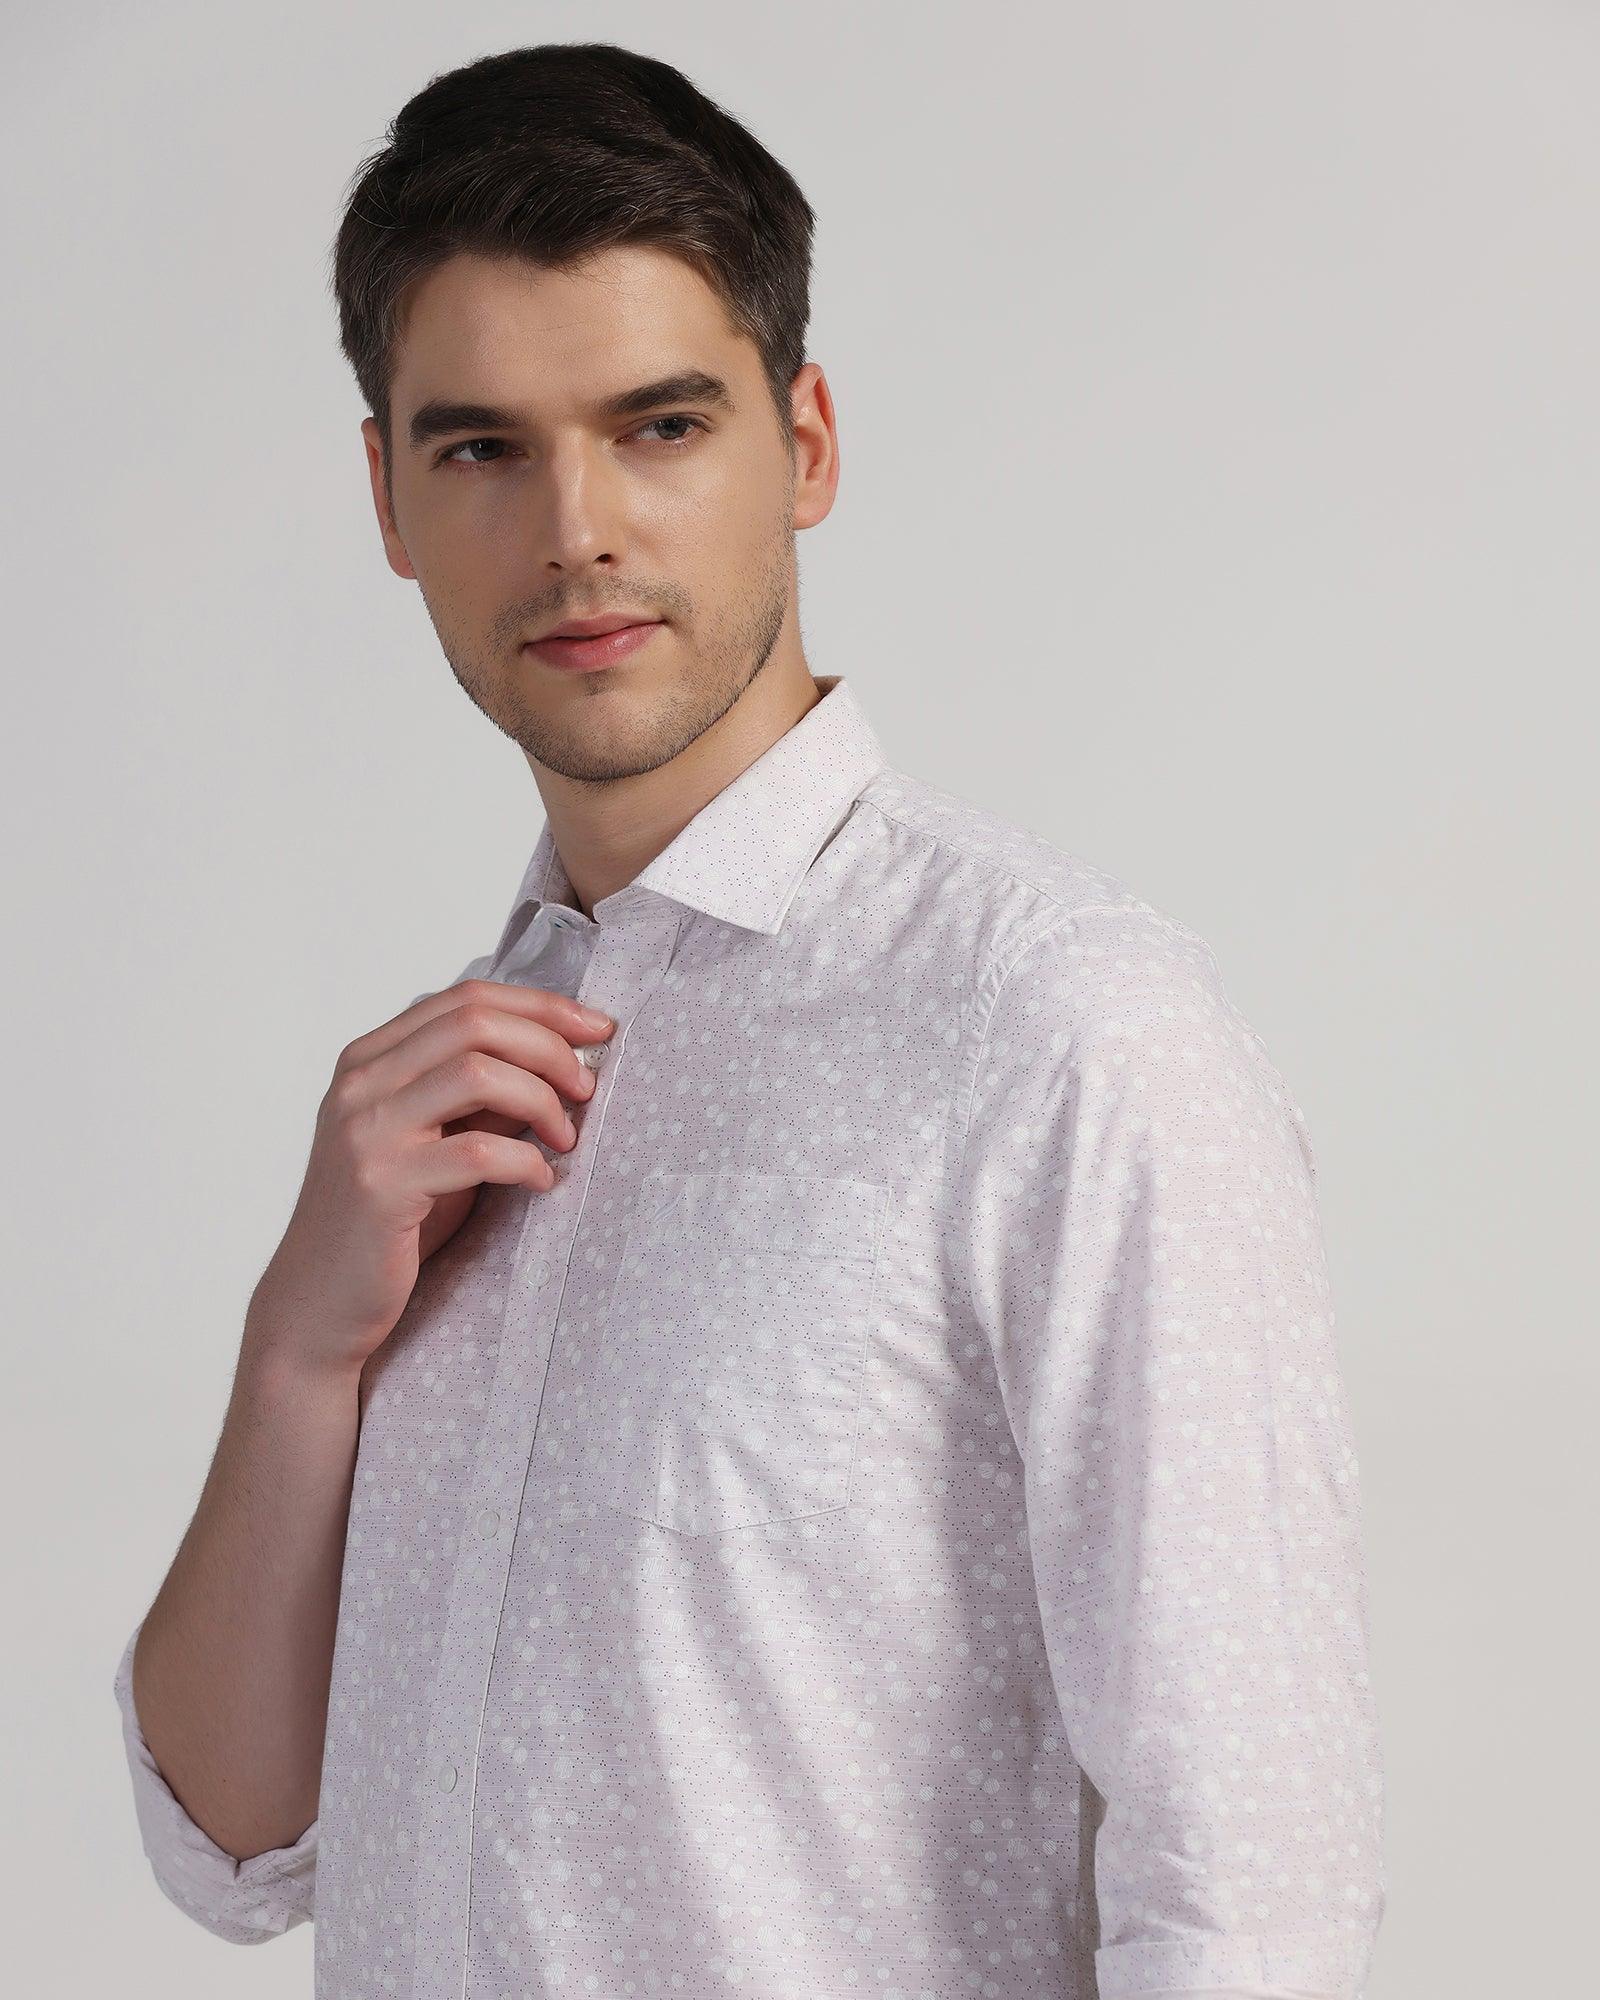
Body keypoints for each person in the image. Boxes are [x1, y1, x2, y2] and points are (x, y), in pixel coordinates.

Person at [112, 40, 1385, 2000]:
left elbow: (1255, 1903)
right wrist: (299, 1352)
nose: (575, 529)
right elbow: (230, 1843)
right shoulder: (443, 1101)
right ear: (387, 496)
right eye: (482, 449)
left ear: (803, 445)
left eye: (658, 426)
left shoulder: (1060, 1031)